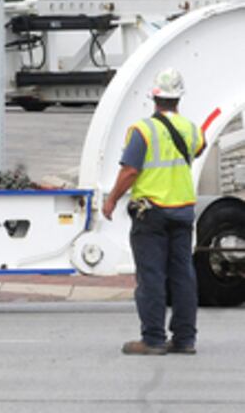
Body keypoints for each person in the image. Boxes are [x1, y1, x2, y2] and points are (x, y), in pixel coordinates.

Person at [101, 67, 205, 355]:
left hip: (152, 213)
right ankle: (185, 340)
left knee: (151, 277)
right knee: (183, 276)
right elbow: (197, 149)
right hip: (183, 211)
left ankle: (153, 339)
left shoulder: (143, 131)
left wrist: (111, 200)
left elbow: (130, 170)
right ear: (178, 98)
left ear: (154, 97)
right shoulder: (192, 129)